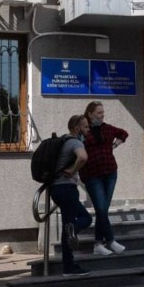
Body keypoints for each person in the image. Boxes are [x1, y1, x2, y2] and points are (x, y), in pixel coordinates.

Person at [79, 101, 128, 256]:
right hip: (92, 174)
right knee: (100, 208)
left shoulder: (107, 128)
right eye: (99, 113)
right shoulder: (84, 131)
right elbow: (75, 145)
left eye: (103, 112)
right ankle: (110, 240)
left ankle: (98, 244)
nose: (102, 115)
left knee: (103, 209)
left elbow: (123, 133)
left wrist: (115, 145)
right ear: (90, 114)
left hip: (110, 172)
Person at [49, 114, 93, 275]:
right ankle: (72, 230)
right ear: (76, 128)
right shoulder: (75, 142)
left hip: (55, 188)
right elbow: (83, 157)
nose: (88, 129)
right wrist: (74, 170)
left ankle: (68, 266)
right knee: (85, 219)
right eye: (85, 126)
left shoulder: (63, 141)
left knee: (67, 227)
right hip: (67, 188)